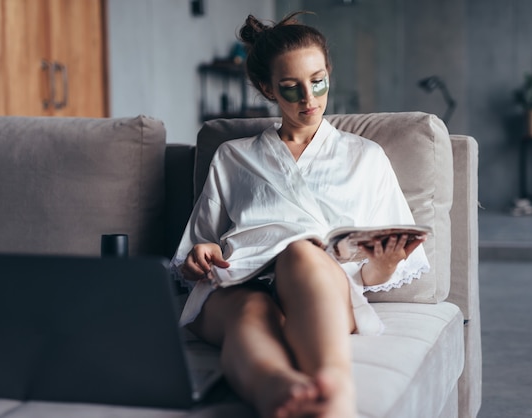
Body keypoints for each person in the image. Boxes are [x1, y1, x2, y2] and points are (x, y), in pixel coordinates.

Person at [171, 11, 429, 418]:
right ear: (267, 87)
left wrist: (385, 262)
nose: (309, 99)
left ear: (328, 73)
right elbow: (194, 251)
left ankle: (333, 393)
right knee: (249, 311)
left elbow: (373, 275)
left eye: (318, 81)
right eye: (291, 88)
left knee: (301, 252)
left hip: (317, 285)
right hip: (239, 282)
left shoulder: (366, 158)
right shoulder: (234, 156)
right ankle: (279, 389)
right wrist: (197, 258)